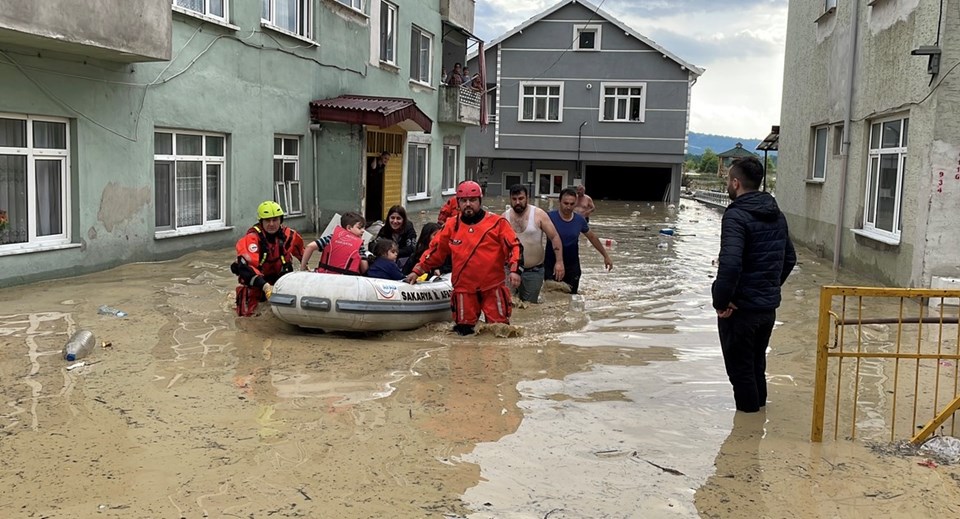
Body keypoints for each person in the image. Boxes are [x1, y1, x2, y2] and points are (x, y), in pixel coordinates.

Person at [712, 156, 796, 413]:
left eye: (728, 179)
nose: (727, 184)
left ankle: (747, 430)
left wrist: (721, 301)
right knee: (757, 364)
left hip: (740, 311)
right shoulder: (776, 214)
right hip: (766, 309)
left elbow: (730, 265)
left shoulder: (736, 216)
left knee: (741, 372)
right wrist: (768, 288)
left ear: (736, 183)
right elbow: (790, 258)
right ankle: (757, 427)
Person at [404, 181, 522, 336]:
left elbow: (514, 246)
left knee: (499, 332)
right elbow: (435, 251)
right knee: (462, 335)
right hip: (464, 289)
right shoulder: (451, 225)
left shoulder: (497, 223)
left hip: (493, 287)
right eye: (463, 200)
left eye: (472, 200)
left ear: (480, 200)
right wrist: (417, 271)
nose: (468, 204)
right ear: (458, 202)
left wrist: (514, 270)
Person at [231, 200, 305, 317]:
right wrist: (265, 286)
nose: (271, 224)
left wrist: (307, 271)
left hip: (280, 283)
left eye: (275, 220)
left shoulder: (290, 236)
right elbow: (246, 268)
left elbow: (303, 256)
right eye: (267, 220)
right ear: (261, 222)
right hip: (257, 285)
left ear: (281, 220)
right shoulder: (251, 239)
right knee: (247, 320)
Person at [544, 187, 613, 295]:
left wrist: (606, 256)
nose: (568, 207)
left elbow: (592, 238)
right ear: (559, 202)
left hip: (572, 266)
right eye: (565, 203)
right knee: (551, 298)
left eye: (572, 204)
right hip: (551, 264)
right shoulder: (548, 217)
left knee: (571, 299)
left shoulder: (579, 220)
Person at [503, 184, 565, 303]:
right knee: (509, 305)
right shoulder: (504, 217)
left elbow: (554, 237)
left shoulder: (538, 214)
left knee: (530, 307)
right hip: (509, 270)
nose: (517, 202)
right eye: (514, 199)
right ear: (510, 199)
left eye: (521, 198)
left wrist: (559, 262)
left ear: (527, 198)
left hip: (533, 271)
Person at [301, 212, 370, 275]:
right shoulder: (359, 245)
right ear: (349, 228)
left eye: (363, 228)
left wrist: (303, 267)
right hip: (348, 278)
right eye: (359, 228)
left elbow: (309, 246)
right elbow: (364, 267)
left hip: (325, 275)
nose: (363, 231)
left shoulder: (331, 238)